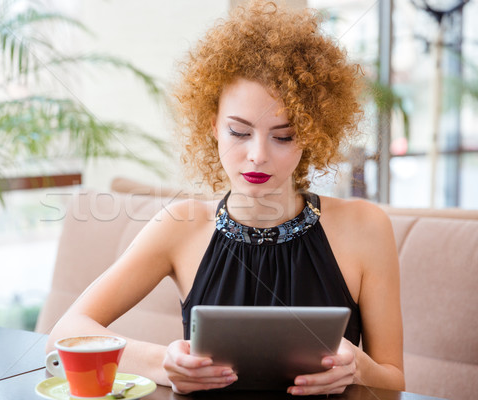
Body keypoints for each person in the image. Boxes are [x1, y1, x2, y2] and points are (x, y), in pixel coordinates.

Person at [47, 1, 405, 396]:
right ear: (212, 125)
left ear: (312, 132)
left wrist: (359, 368)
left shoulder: (366, 228)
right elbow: (64, 334)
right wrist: (163, 363)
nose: (258, 154)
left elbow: (394, 380)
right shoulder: (180, 226)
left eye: (283, 136)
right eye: (239, 131)